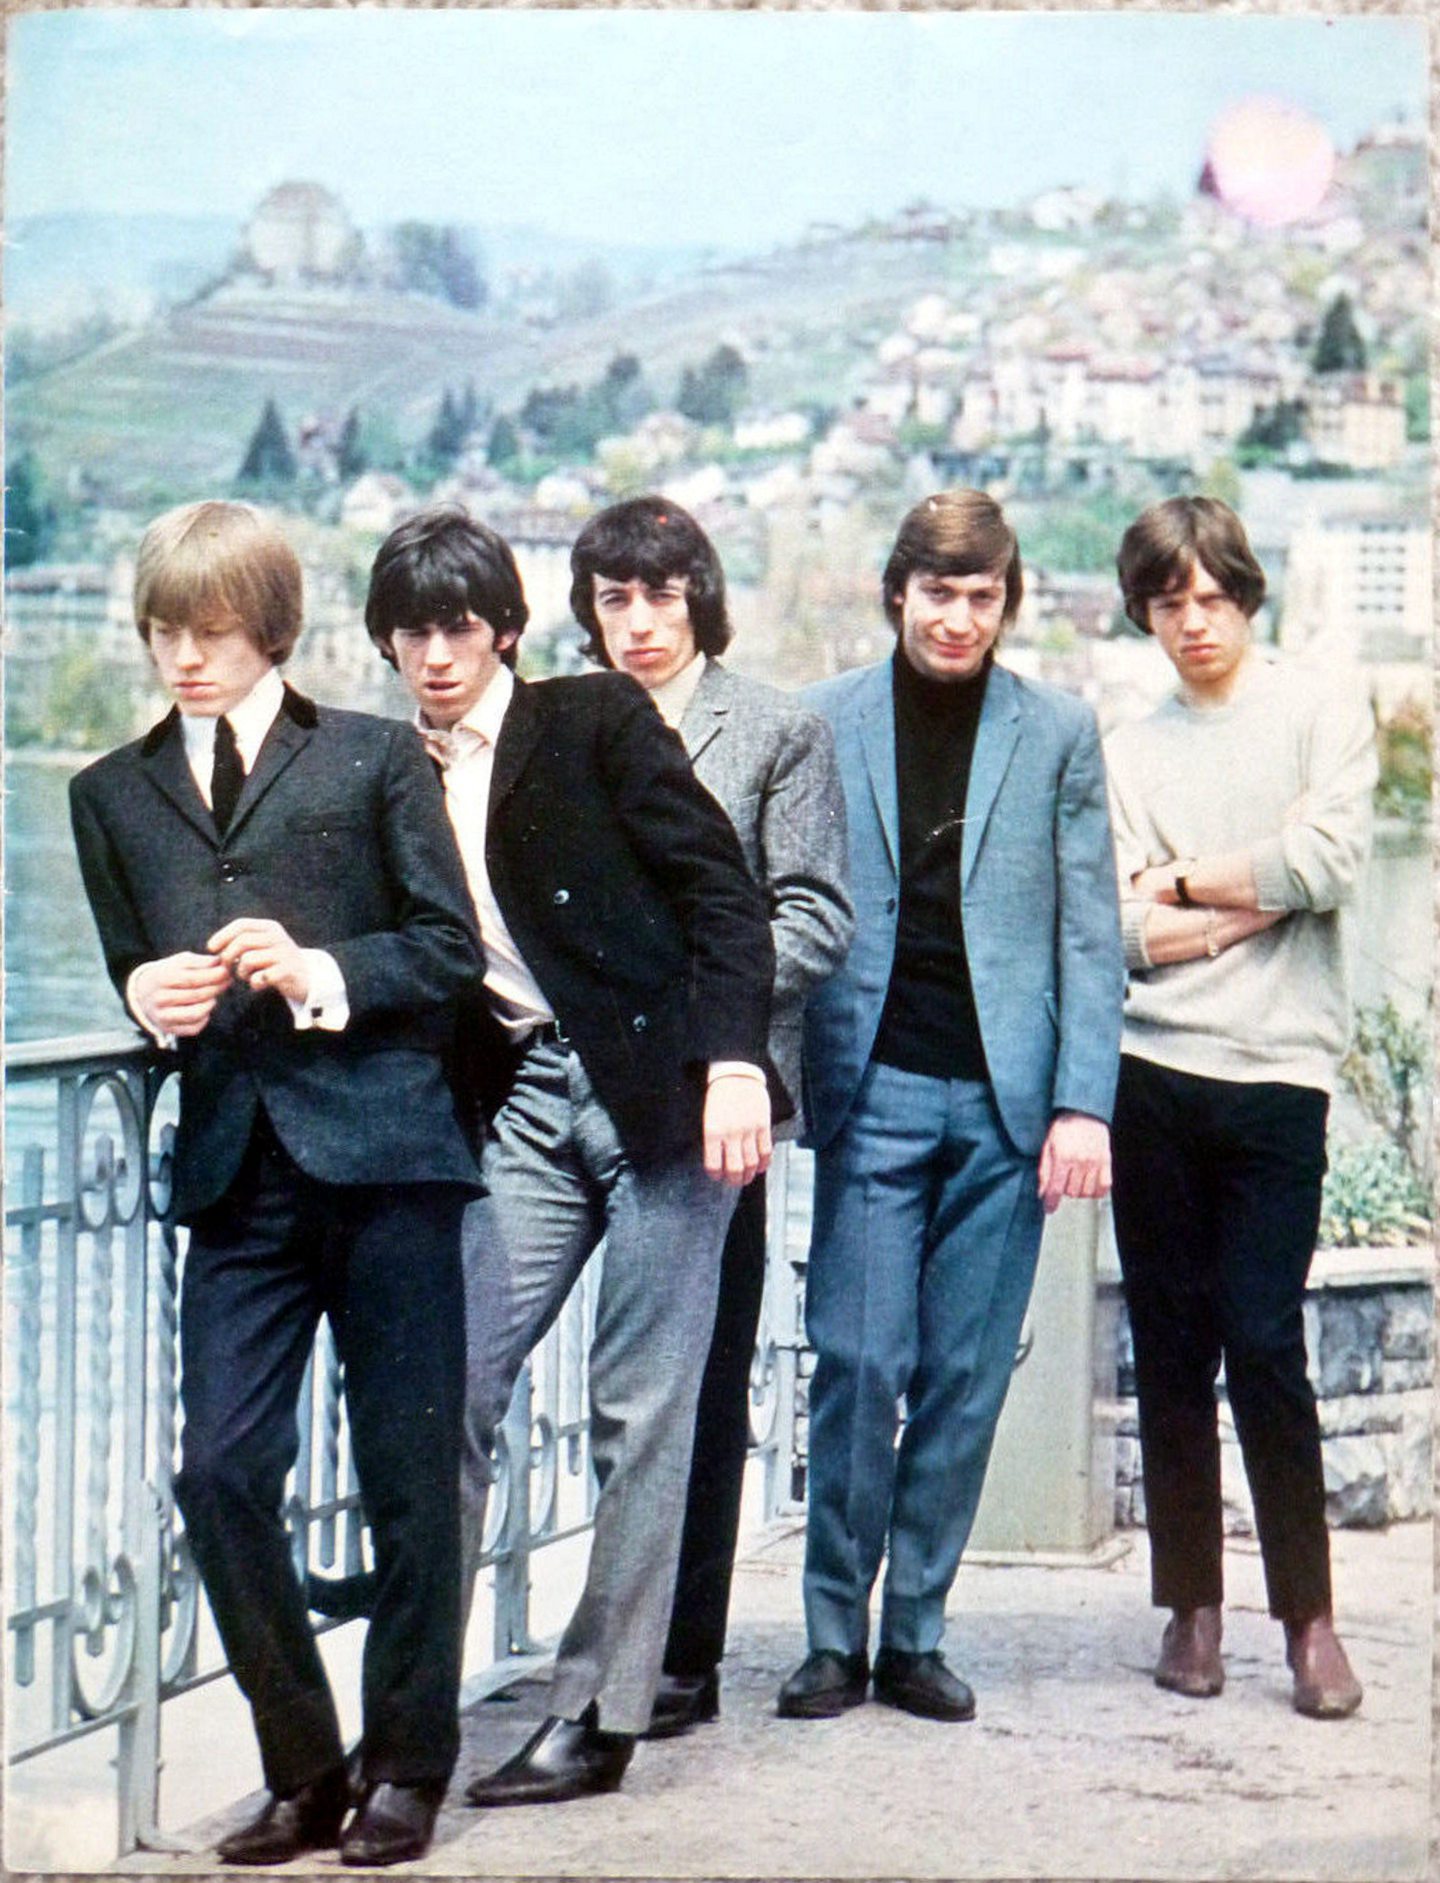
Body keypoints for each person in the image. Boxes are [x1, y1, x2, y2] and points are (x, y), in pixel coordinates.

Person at [68, 501, 484, 1867]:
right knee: (220, 1466)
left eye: (211, 630)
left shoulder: (370, 758)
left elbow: (446, 951)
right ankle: (304, 1765)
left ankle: (409, 1768)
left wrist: (319, 970)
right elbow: (137, 969)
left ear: (272, 627)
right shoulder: (109, 794)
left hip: (390, 1160)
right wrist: (145, 989)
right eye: (161, 631)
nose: (183, 656)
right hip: (235, 1175)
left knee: (413, 1474)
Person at [364, 504, 777, 1806]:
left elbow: (724, 892)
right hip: (525, 1105)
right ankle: (411, 1723)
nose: (436, 653)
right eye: (411, 630)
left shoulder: (591, 721)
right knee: (453, 1378)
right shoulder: (385, 769)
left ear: (503, 630)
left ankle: (595, 1713)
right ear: (385, 638)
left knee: (642, 1402)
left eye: (460, 627)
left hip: (663, 1096)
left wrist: (732, 1062)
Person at [779, 488, 1124, 1723]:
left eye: (982, 597)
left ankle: (914, 1630)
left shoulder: (1061, 731)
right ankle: (831, 1632)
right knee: (861, 1360)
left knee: (968, 1373)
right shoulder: (823, 721)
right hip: (870, 1088)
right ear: (898, 594)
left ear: (1006, 604)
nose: (959, 617)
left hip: (1007, 1104)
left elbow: (1093, 930)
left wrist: (1084, 1103)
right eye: (939, 593)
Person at [568, 495, 853, 1739]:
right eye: (615, 598)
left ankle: (682, 1654)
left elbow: (815, 913)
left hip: (716, 1091)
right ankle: (592, 1641)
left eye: (662, 594)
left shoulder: (776, 731)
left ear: (702, 595)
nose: (638, 622)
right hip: (572, 1087)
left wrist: (692, 1017)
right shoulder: (561, 728)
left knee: (710, 1361)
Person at [1105, 495, 1374, 1717]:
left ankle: (1308, 1620)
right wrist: (1246, 899)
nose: (1194, 620)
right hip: (1153, 1074)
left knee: (1266, 1340)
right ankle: (1191, 1607)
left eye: (1213, 595)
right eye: (1170, 602)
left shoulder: (1319, 705)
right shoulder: (1127, 747)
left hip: (1279, 1078)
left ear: (1246, 595)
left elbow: (1332, 862)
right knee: (1171, 1344)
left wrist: (1183, 880)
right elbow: (1118, 928)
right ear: (1147, 613)